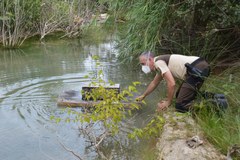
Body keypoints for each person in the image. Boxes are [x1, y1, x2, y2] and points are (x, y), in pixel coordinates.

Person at [136, 52, 210, 112]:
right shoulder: (159, 63)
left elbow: (172, 83)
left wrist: (168, 102)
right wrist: (144, 95)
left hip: (197, 68)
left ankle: (212, 105)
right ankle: (211, 97)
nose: (143, 67)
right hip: (198, 66)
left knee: (180, 105)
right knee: (179, 96)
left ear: (150, 59)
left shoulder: (158, 63)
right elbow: (154, 83)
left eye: (143, 64)